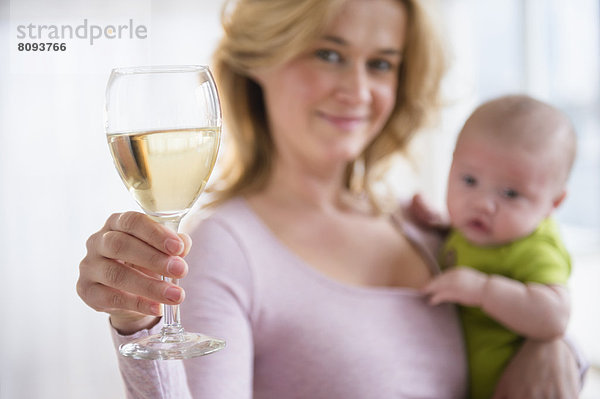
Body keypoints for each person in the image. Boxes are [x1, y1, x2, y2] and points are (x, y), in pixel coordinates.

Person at [77, 0, 584, 398]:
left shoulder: (422, 227)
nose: (358, 90)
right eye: (329, 53)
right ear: (261, 57)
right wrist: (138, 327)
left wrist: (552, 344)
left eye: (381, 64)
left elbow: (527, 338)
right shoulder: (230, 248)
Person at [423, 94, 576, 399]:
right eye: (469, 180)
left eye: (509, 193)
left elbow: (555, 316)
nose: (482, 204)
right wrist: (436, 223)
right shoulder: (476, 230)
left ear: (553, 203)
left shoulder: (533, 248)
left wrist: (482, 290)